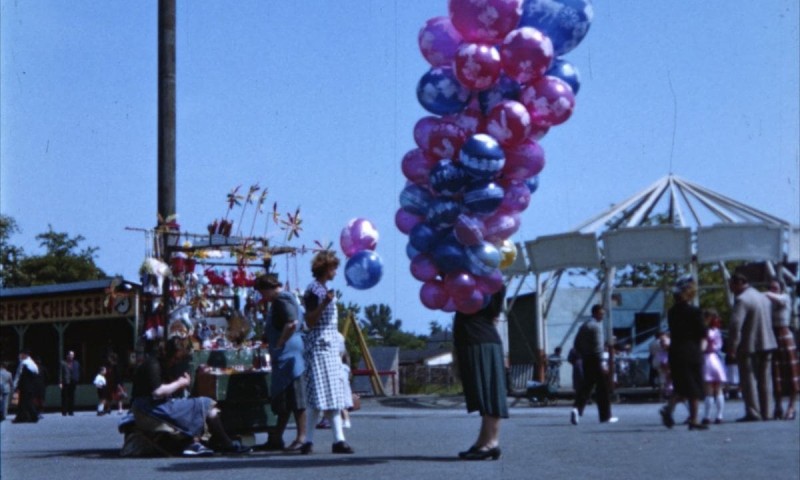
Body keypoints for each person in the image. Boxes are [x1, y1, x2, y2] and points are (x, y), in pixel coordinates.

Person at [130, 337, 251, 456]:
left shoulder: (163, 365)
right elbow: (158, 391)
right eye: (176, 358)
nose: (175, 362)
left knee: (208, 407)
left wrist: (178, 385)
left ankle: (220, 442)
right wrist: (179, 383)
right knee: (205, 403)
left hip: (156, 406)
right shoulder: (153, 364)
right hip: (147, 409)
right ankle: (223, 444)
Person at [301, 250, 354, 455]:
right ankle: (331, 440)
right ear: (326, 268)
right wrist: (324, 304)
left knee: (330, 393)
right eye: (333, 268)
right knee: (321, 394)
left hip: (329, 345)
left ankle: (315, 440)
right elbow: (310, 320)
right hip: (319, 346)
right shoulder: (314, 290)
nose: (335, 272)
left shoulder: (326, 288)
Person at [253, 273, 308, 453]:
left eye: (263, 293)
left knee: (295, 397)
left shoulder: (281, 299)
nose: (263, 297)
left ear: (268, 289)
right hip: (289, 353)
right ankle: (276, 437)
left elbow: (291, 323)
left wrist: (280, 342)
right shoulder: (287, 298)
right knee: (285, 397)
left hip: (289, 355)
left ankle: (301, 438)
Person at [452, 286, 508, 461]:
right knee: (485, 394)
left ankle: (491, 443)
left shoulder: (488, 284)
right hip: (476, 341)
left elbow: (493, 317)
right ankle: (483, 442)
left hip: (480, 341)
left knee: (490, 394)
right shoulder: (472, 281)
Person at [659, 276, 708, 430]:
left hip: (676, 351)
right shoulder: (695, 312)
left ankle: (669, 409)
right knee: (694, 387)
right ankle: (694, 419)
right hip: (691, 350)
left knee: (681, 386)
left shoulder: (672, 312)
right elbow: (702, 332)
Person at [728, 273, 777, 421]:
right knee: (766, 380)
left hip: (749, 345)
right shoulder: (763, 297)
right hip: (768, 342)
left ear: (737, 284)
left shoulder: (742, 300)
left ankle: (754, 412)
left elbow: (736, 325)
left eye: (731, 285)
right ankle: (768, 411)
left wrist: (732, 346)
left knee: (749, 380)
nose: (730, 288)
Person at [570, 304, 618, 425]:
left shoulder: (584, 326)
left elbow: (576, 344)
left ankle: (577, 409)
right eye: (601, 313)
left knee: (586, 387)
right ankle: (606, 416)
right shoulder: (596, 327)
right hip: (596, 359)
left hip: (586, 360)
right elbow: (598, 347)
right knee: (602, 389)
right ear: (596, 313)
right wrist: (602, 362)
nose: (602, 316)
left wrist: (582, 354)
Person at [764, 280, 799, 420]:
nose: (772, 290)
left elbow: (777, 298)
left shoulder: (785, 297)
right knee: (775, 372)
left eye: (775, 288)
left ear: (780, 289)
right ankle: (778, 406)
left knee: (791, 372)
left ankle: (791, 406)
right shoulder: (769, 303)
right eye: (770, 287)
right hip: (773, 336)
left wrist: (765, 293)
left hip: (785, 335)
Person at [701, 309, 727, 425]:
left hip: (707, 359)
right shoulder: (717, 331)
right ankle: (720, 415)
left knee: (709, 390)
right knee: (719, 389)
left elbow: (703, 347)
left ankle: (706, 416)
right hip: (716, 359)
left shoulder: (705, 332)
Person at [12, 349, 40, 423]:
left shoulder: (24, 363)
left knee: (25, 402)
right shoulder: (31, 363)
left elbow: (19, 375)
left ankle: (31, 417)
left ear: (24, 355)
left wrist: (16, 385)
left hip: (25, 386)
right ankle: (24, 417)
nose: (19, 356)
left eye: (21, 354)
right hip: (30, 386)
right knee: (25, 402)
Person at [59, 350, 81, 416]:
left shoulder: (76, 363)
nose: (72, 356)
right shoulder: (63, 363)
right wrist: (60, 382)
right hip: (65, 381)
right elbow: (60, 373)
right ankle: (64, 411)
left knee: (72, 396)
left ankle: (71, 411)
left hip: (73, 381)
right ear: (67, 355)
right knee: (64, 397)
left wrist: (77, 379)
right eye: (70, 355)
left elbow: (78, 371)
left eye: (73, 355)